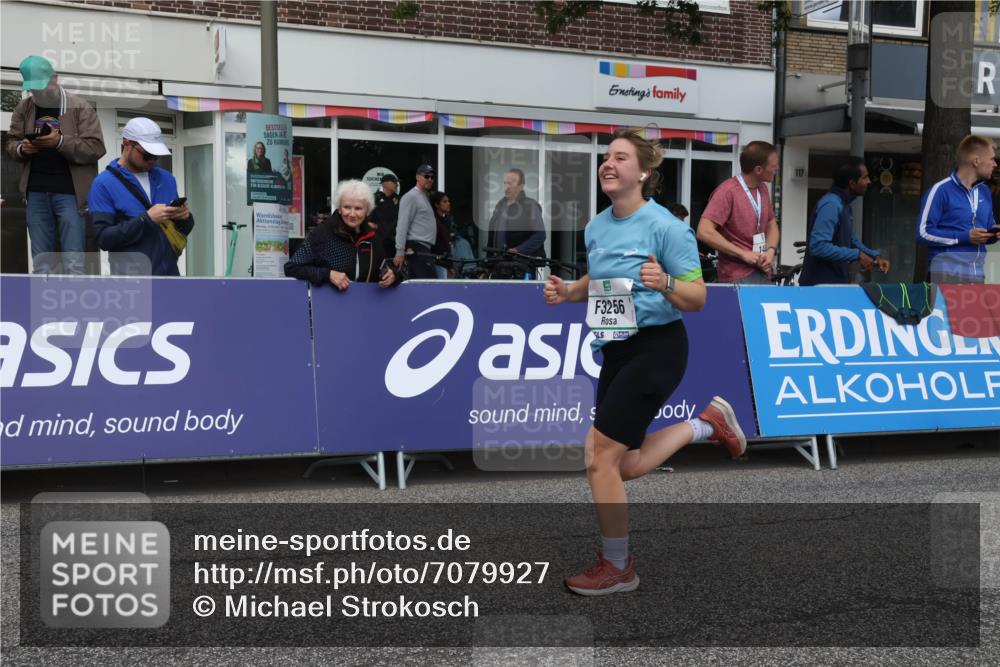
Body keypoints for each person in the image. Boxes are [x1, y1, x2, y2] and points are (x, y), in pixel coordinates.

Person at [543, 128, 747, 596]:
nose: (608, 164)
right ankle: (706, 425)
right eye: (605, 158)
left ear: (643, 172)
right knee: (623, 464)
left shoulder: (666, 228)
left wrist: (665, 285)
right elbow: (602, 280)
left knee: (597, 459)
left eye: (620, 157)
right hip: (614, 349)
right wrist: (568, 292)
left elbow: (697, 297)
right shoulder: (596, 226)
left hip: (657, 348)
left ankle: (618, 567)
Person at [5, 55, 106, 274]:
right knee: (42, 264)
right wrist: (22, 148)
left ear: (56, 78)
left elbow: (96, 148)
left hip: (70, 194)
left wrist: (60, 141)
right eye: (34, 90)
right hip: (36, 192)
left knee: (74, 262)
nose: (39, 94)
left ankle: (73, 307)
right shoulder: (24, 108)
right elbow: (11, 143)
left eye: (42, 88)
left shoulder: (80, 107)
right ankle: (43, 306)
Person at [89, 117, 193, 276]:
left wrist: (184, 218)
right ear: (127, 144)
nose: (152, 160)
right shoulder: (103, 184)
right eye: (147, 155)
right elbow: (104, 239)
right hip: (131, 283)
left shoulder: (167, 178)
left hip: (169, 277)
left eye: (156, 155)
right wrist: (146, 219)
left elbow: (181, 230)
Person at [916, 134, 1000, 283]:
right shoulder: (940, 190)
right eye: (992, 159)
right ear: (976, 161)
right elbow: (923, 233)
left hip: (977, 276)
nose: (995, 164)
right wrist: (964, 236)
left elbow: (986, 231)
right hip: (945, 274)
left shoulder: (984, 192)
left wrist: (994, 234)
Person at [285, 179, 396, 289]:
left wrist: (393, 275)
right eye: (347, 207)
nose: (352, 214)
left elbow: (383, 267)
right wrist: (328, 275)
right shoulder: (323, 233)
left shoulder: (372, 237)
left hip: (364, 303)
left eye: (358, 208)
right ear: (339, 208)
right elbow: (292, 267)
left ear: (367, 210)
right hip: (329, 304)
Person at [696, 141, 780, 284]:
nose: (776, 169)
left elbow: (772, 224)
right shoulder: (727, 192)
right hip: (737, 276)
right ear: (758, 170)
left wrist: (770, 251)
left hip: (763, 272)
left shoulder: (763, 189)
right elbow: (703, 231)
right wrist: (743, 254)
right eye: (773, 166)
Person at [800, 157, 890, 286]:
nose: (868, 181)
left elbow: (851, 240)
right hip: (819, 288)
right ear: (852, 183)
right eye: (864, 178)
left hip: (833, 284)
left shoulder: (843, 204)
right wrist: (857, 255)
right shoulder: (831, 205)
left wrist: (874, 256)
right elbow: (818, 246)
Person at [487, 168, 546, 258]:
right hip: (499, 263)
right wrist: (488, 264)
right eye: (505, 183)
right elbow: (492, 236)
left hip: (522, 264)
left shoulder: (530, 206)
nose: (506, 187)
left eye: (510, 183)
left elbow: (540, 235)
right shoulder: (500, 205)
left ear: (521, 186)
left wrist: (518, 250)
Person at [393, 164, 438, 279]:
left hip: (423, 248)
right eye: (426, 176)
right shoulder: (411, 196)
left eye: (432, 177)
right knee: (428, 286)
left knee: (421, 286)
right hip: (417, 248)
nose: (430, 179)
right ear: (417, 177)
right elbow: (402, 225)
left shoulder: (423, 196)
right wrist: (399, 252)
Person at [372, 173, 400, 258]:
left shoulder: (399, 199)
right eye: (394, 182)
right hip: (378, 241)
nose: (397, 184)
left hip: (394, 242)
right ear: (385, 183)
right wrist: (370, 225)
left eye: (397, 182)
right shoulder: (374, 198)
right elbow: (365, 217)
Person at [430, 190, 454, 279]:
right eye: (444, 201)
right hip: (438, 262)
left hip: (445, 262)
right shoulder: (434, 221)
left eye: (448, 201)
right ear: (436, 205)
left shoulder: (445, 220)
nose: (448, 203)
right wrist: (449, 266)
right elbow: (442, 244)